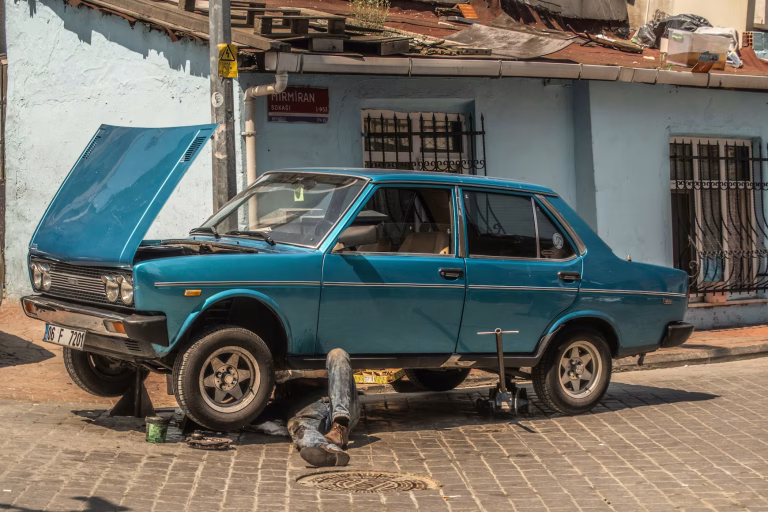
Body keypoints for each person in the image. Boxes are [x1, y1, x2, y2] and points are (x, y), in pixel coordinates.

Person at [252, 348, 360, 467]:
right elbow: (256, 417)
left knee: (338, 354)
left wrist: (300, 382)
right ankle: (327, 450)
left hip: (342, 404)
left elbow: (341, 371)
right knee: (295, 424)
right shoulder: (285, 398)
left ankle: (340, 426)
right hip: (315, 413)